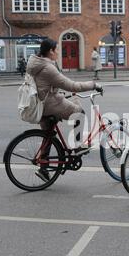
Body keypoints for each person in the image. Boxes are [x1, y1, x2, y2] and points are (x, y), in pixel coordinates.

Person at [26, 38, 102, 182]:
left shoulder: (36, 64)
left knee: (48, 136)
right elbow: (72, 86)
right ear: (50, 51)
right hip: (49, 104)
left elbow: (47, 86)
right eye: (56, 49)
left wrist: (59, 93)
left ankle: (43, 169)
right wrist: (93, 85)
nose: (58, 52)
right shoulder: (48, 68)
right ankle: (78, 146)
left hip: (39, 105)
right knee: (79, 113)